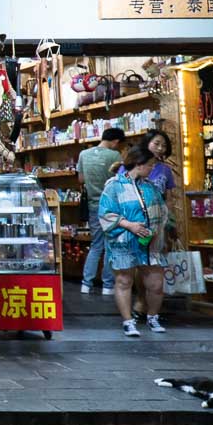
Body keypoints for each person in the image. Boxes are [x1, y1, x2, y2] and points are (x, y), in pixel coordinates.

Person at [99, 145, 174, 337]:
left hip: (151, 243)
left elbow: (162, 211)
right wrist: (130, 225)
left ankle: (152, 316)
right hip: (123, 242)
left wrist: (162, 232)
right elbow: (106, 213)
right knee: (124, 280)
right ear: (139, 165)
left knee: (156, 283)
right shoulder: (114, 185)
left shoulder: (150, 186)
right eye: (150, 165)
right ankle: (128, 321)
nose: (152, 169)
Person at [77, 127, 125, 295]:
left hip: (92, 204)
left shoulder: (84, 154)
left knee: (96, 245)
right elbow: (120, 181)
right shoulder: (115, 156)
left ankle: (86, 283)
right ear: (116, 141)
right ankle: (107, 285)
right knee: (110, 245)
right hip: (111, 205)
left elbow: (81, 179)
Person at [117, 129, 177, 200]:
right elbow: (118, 193)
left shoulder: (165, 169)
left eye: (164, 146)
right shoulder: (129, 166)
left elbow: (169, 198)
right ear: (147, 142)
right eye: (156, 144)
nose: (160, 148)